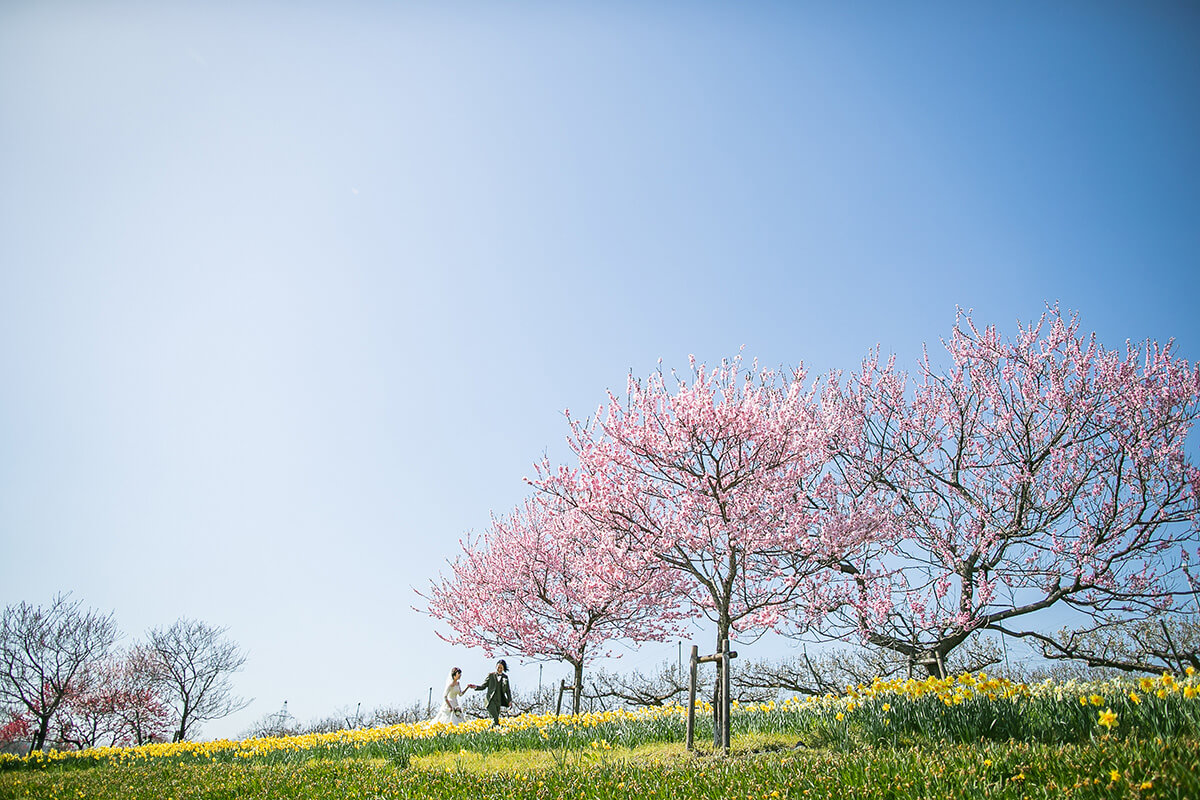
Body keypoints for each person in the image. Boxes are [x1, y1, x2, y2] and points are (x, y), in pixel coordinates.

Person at [467, 660, 511, 725]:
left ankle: (493, 732)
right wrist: (475, 687)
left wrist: (510, 700)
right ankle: (497, 730)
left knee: (494, 720)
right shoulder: (491, 675)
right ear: (496, 667)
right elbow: (483, 686)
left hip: (498, 701)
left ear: (503, 668)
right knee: (495, 719)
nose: (499, 669)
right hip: (490, 701)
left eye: (501, 668)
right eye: (498, 667)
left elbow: (507, 690)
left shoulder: (505, 677)